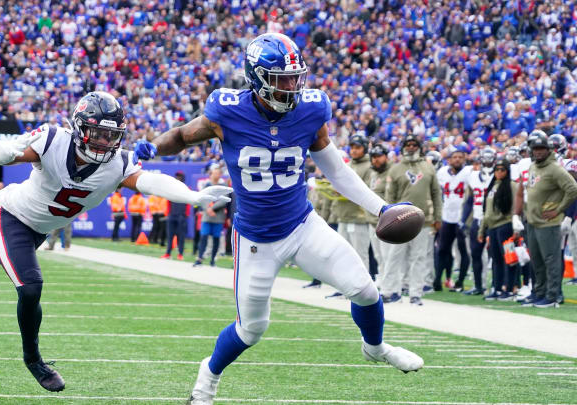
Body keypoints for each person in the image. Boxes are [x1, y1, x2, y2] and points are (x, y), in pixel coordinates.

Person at [135, 33, 423, 405]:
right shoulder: (226, 110)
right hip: (255, 238)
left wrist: (381, 207)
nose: (291, 86)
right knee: (252, 330)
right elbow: (181, 134)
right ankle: (207, 378)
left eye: (295, 77)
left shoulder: (311, 109)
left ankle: (376, 347)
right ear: (256, 78)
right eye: (281, 79)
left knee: (366, 291)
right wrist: (152, 147)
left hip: (302, 224)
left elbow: (336, 171)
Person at [0, 91, 232, 392]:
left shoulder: (117, 164)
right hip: (12, 214)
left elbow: (153, 182)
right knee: (30, 286)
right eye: (97, 134)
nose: (104, 143)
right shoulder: (53, 140)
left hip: (37, 228)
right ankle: (33, 359)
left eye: (111, 136)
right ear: (79, 128)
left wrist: (193, 197)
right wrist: (4, 151)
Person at [513, 130, 577, 308]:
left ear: (549, 150)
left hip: (548, 222)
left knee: (551, 260)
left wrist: (559, 209)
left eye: (542, 148)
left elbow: (573, 189)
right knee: (537, 260)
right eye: (536, 148)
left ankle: (552, 296)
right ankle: (539, 292)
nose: (539, 151)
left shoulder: (555, 168)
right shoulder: (533, 166)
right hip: (532, 220)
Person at [382, 134, 442, 306]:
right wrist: (389, 220)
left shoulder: (428, 168)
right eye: (407, 144)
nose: (410, 147)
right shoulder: (395, 169)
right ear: (402, 148)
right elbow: (389, 197)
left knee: (419, 257)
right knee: (394, 257)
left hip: (423, 220)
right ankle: (389, 291)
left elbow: (437, 194)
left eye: (413, 144)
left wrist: (438, 217)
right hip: (399, 221)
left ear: (419, 147)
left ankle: (416, 293)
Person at [479, 158, 519, 301]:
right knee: (495, 259)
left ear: (507, 171)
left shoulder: (512, 185)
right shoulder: (492, 186)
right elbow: (487, 211)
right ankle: (497, 288)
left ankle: (508, 289)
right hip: (492, 227)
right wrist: (482, 230)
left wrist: (516, 228)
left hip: (506, 225)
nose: (499, 172)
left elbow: (516, 206)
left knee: (509, 259)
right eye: (497, 169)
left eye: (502, 169)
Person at [435, 146, 472, 292]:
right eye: (454, 157)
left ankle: (460, 281)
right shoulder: (442, 172)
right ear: (449, 159)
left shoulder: (469, 172)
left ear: (464, 159)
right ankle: (438, 278)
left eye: (460, 157)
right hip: (446, 216)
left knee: (463, 250)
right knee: (442, 249)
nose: (457, 159)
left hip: (462, 217)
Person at [460, 147, 496, 295]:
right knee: (475, 254)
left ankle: (496, 285)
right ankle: (478, 285)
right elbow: (469, 200)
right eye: (485, 159)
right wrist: (463, 219)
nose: (487, 162)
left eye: (490, 159)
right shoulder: (473, 176)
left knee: (496, 255)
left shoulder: (499, 174)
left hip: (493, 220)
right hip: (477, 219)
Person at [334, 133, 372, 269]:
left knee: (360, 257)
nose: (354, 150)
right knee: (342, 256)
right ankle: (346, 289)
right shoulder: (347, 165)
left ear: (365, 149)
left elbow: (368, 190)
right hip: (343, 216)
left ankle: (363, 289)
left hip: (359, 217)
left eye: (358, 147)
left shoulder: (369, 166)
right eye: (352, 147)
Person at [367, 143, 391, 289]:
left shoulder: (392, 172)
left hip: (387, 221)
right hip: (373, 220)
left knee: (388, 255)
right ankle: (382, 279)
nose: (376, 160)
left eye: (379, 156)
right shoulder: (373, 173)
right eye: (373, 157)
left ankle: (391, 283)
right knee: (378, 255)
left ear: (386, 157)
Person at [194, 164, 227, 267]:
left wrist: (212, 208)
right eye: (214, 173)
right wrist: (207, 208)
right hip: (207, 217)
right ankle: (199, 259)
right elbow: (202, 198)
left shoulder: (223, 186)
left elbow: (224, 201)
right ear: (211, 174)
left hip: (218, 217)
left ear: (220, 175)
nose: (216, 175)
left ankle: (212, 260)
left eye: (218, 173)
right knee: (203, 237)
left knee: (216, 239)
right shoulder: (206, 185)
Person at [161, 171, 190, 260]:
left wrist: (186, 215)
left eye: (179, 176)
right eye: (176, 176)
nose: (178, 178)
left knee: (181, 236)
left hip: (181, 215)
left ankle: (180, 254)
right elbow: (168, 201)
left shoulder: (186, 189)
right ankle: (168, 254)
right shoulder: (171, 189)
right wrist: (168, 213)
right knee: (170, 236)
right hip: (172, 215)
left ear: (183, 178)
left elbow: (189, 202)